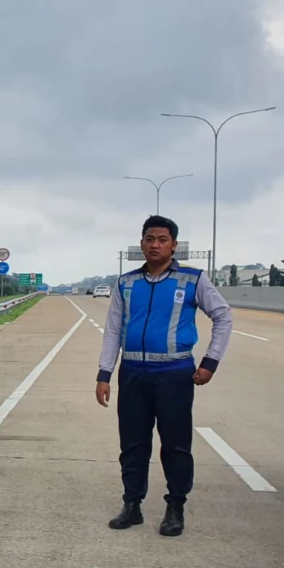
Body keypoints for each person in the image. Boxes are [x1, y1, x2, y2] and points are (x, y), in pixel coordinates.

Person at [95, 214, 233, 537]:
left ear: (173, 245)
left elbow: (223, 317)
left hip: (174, 374)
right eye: (149, 239)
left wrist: (210, 363)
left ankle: (175, 507)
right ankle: (132, 504)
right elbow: (113, 330)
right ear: (141, 243)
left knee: (175, 445)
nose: (154, 245)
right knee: (132, 443)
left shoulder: (192, 280)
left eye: (162, 240)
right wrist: (104, 373)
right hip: (133, 373)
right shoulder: (126, 283)